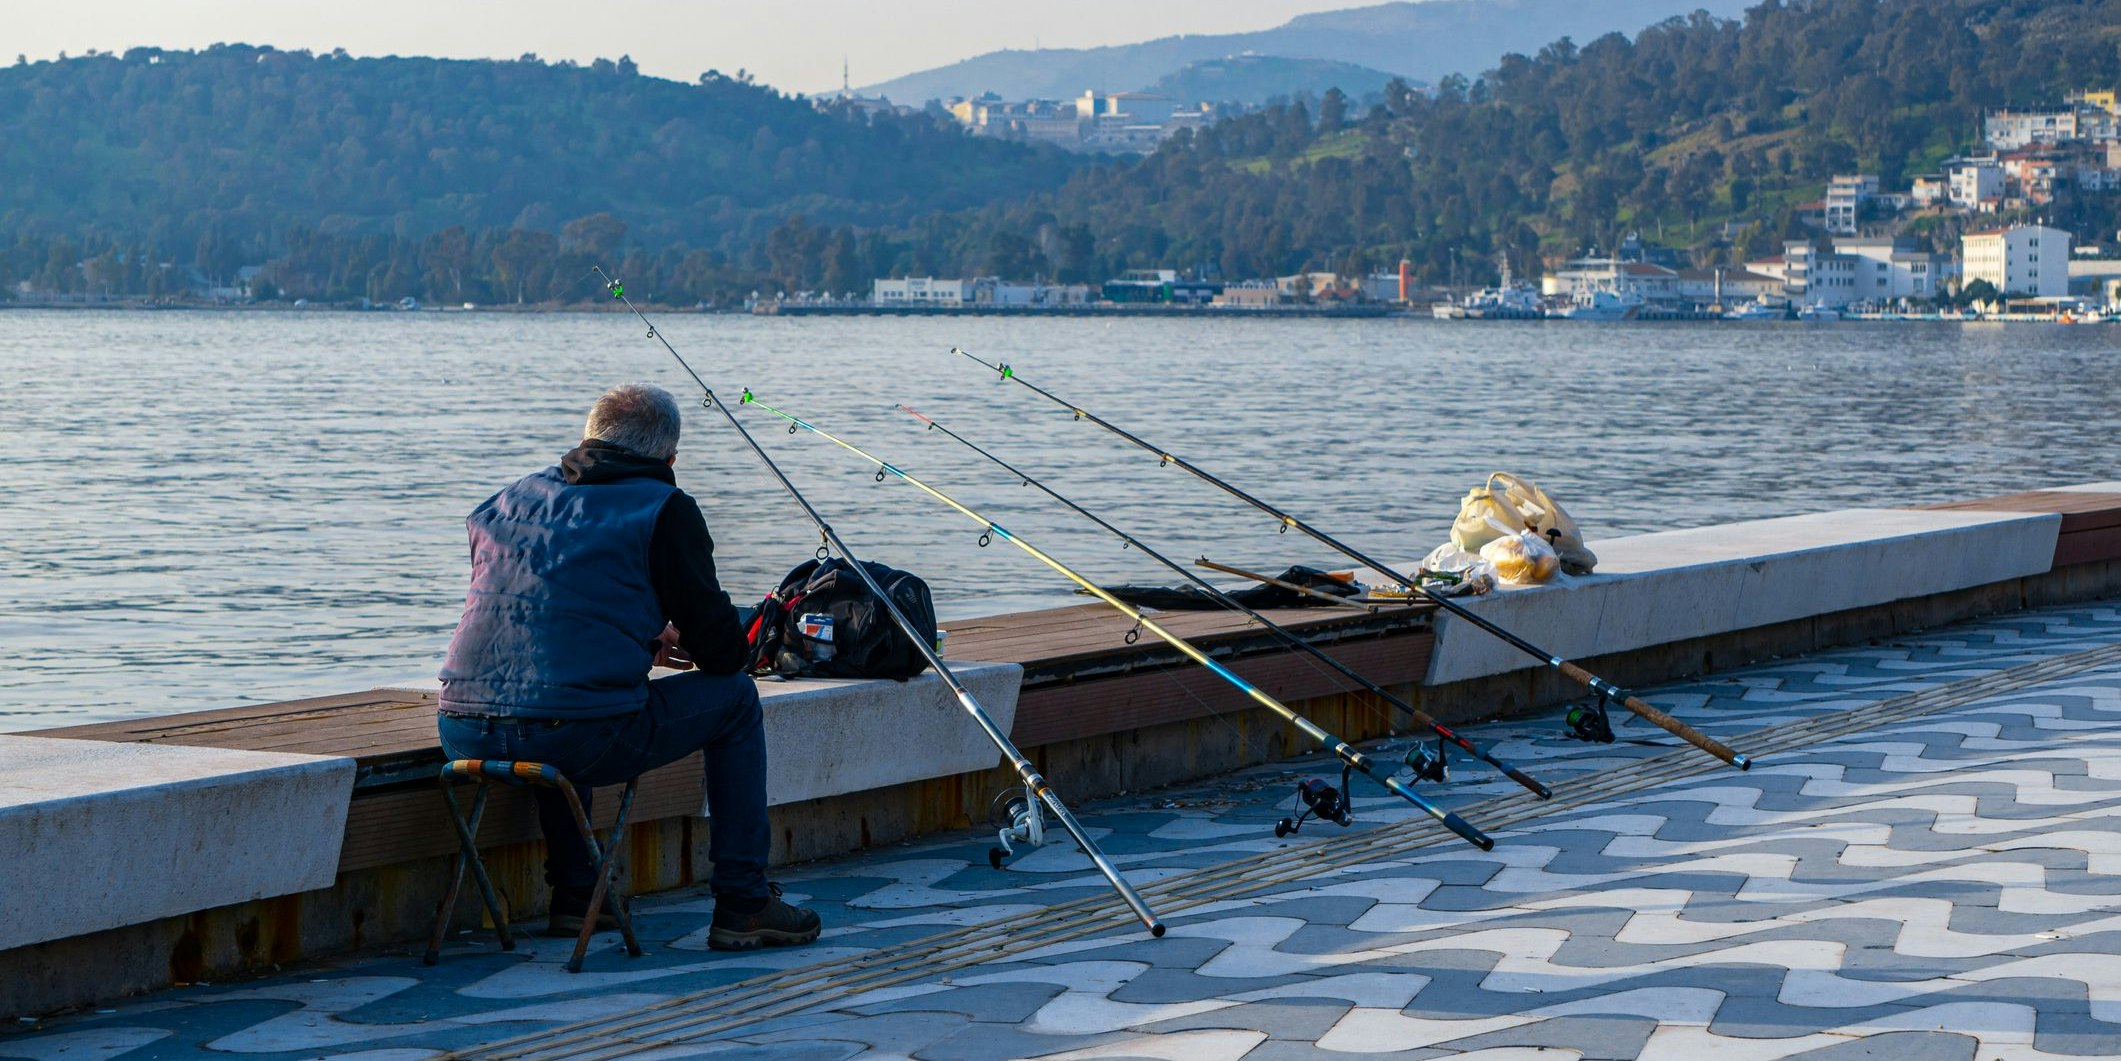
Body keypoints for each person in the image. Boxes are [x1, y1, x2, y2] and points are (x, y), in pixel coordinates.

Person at [435, 383, 819, 950]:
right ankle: (744, 902)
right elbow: (720, 654)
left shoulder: (505, 499)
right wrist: (669, 636)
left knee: (559, 696)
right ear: (670, 459)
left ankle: (577, 898)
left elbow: (540, 618)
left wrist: (639, 637)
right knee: (734, 700)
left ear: (589, 435)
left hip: (462, 728)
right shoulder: (664, 508)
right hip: (573, 735)